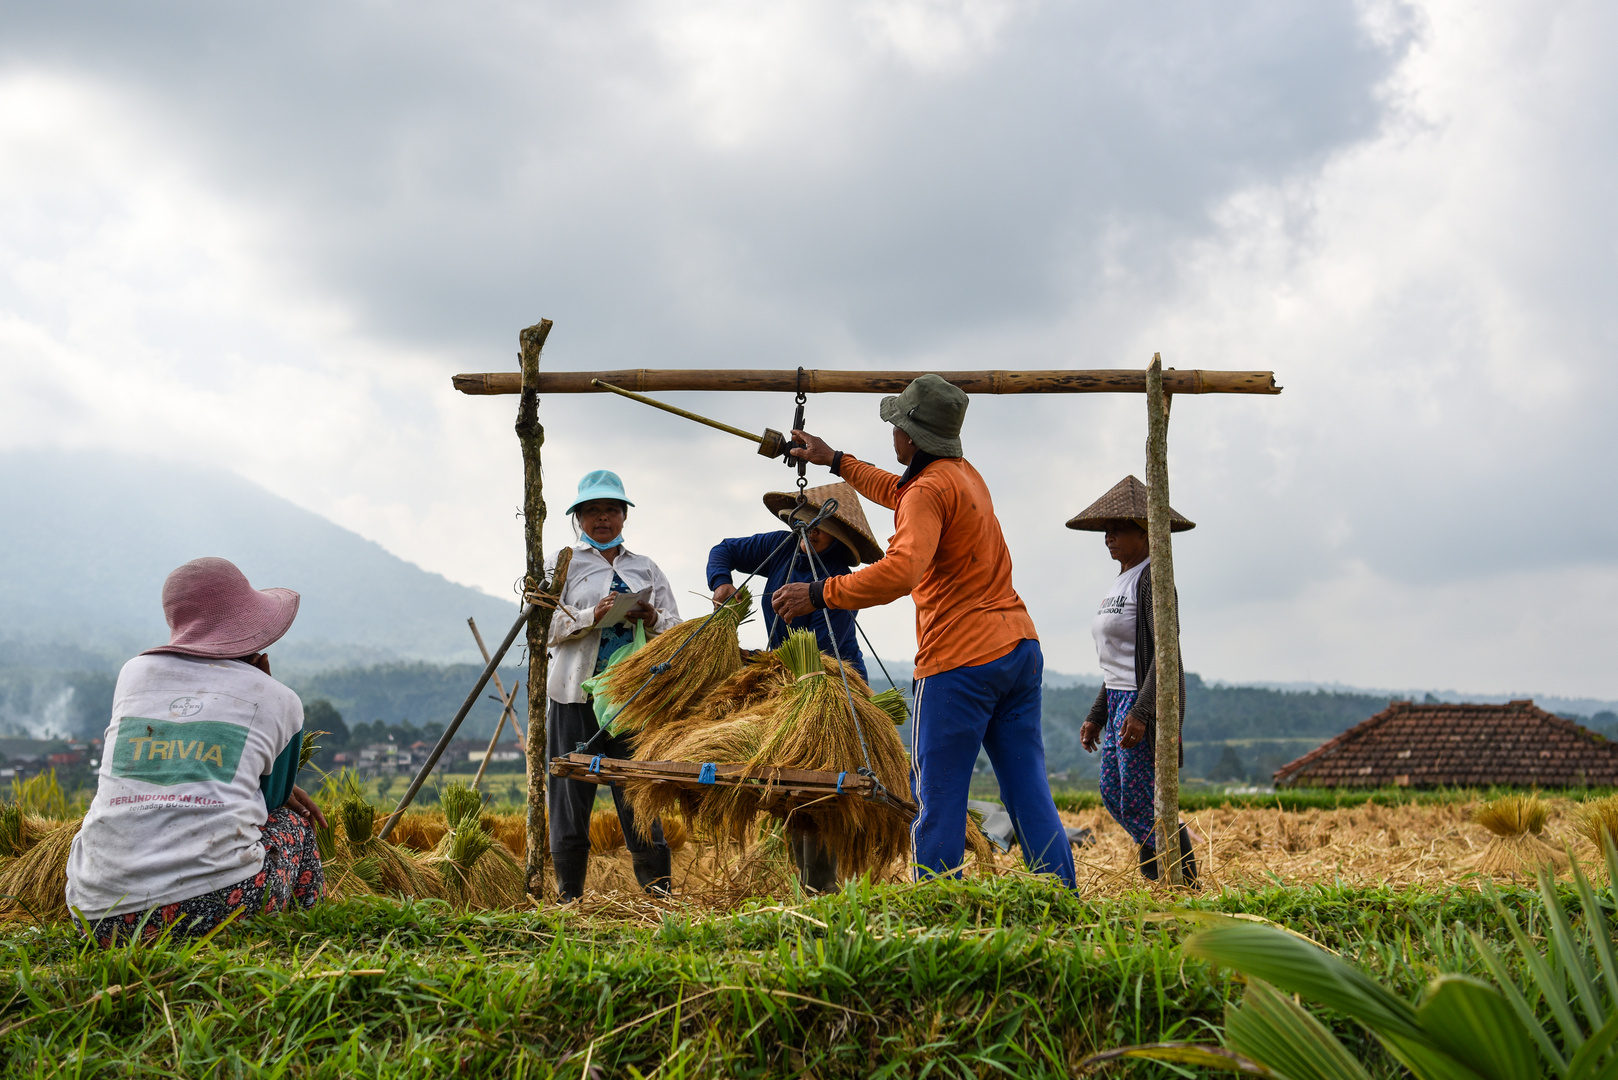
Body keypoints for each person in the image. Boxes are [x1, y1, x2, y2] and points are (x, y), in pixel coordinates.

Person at [772, 374, 1076, 888]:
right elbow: (900, 492)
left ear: (910, 437)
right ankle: (1063, 895)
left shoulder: (928, 491)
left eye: (894, 425)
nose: (891, 434)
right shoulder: (961, 474)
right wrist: (835, 460)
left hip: (961, 662)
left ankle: (935, 902)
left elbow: (901, 570)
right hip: (1018, 649)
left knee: (937, 795)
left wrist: (821, 592)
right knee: (1028, 788)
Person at [65, 557, 328, 945]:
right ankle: (309, 943)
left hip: (98, 917)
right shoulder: (278, 698)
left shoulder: (133, 674)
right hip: (214, 910)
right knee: (295, 827)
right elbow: (270, 801)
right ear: (256, 636)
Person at [707, 481, 885, 892]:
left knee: (822, 785)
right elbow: (725, 551)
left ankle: (821, 890)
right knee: (789, 783)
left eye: (819, 525)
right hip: (784, 679)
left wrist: (815, 595)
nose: (808, 530)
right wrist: (721, 582)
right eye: (803, 521)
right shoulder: (782, 547)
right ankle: (806, 887)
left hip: (831, 679)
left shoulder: (840, 570)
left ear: (839, 534)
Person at [545, 469, 682, 901]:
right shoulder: (564, 565)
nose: (602, 519)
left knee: (640, 797)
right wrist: (592, 616)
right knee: (570, 799)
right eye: (592, 511)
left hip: (631, 699)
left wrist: (653, 618)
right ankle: (571, 900)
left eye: (610, 510)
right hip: (574, 696)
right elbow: (543, 626)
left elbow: (677, 628)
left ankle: (659, 899)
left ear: (623, 517)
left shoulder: (645, 568)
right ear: (579, 519)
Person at [1068, 475, 1198, 883]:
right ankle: (1162, 867)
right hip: (1121, 700)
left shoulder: (1152, 580)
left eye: (1118, 528)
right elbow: (1119, 662)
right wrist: (1097, 714)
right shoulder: (1120, 581)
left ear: (1145, 531)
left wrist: (1142, 712)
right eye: (1106, 529)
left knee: (1143, 799)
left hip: (1145, 704)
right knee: (1114, 793)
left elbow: (1164, 656)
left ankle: (1181, 872)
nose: (1109, 536)